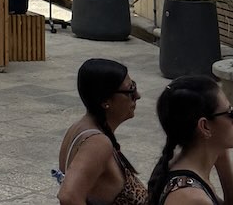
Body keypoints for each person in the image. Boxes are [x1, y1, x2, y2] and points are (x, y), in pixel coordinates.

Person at [54, 58, 147, 205]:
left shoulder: (79, 128)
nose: (137, 95)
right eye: (130, 90)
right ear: (105, 101)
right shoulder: (97, 142)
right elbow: (68, 196)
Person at [146, 76, 233, 204]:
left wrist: (222, 157)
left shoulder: (176, 164)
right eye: (230, 113)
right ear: (205, 126)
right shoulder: (192, 198)